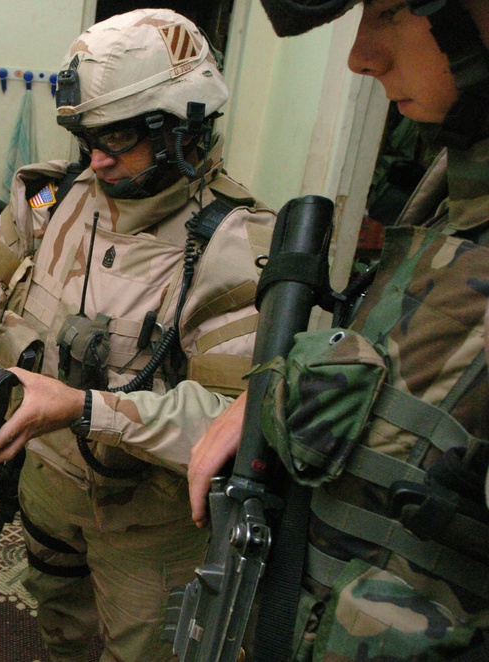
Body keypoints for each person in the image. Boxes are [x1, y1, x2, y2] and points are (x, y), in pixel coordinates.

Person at [0, 9, 276, 659]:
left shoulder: (238, 250)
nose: (95, 157)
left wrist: (83, 407)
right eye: (88, 135)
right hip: (44, 491)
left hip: (147, 533)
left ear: (184, 125)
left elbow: (234, 421)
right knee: (62, 626)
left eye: (117, 138)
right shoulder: (53, 195)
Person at [187, 0, 489, 657]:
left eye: (391, 10)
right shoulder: (450, 198)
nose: (360, 56)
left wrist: (89, 409)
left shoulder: (226, 231)